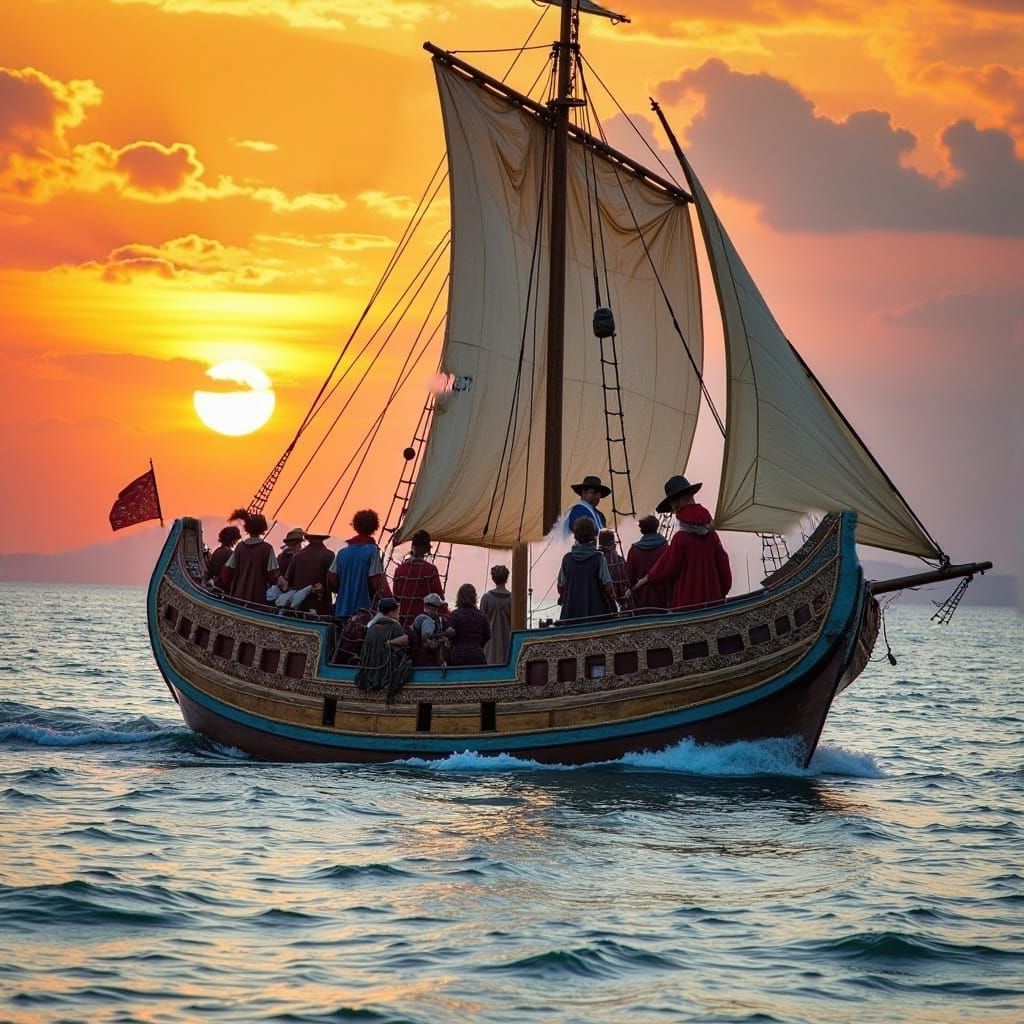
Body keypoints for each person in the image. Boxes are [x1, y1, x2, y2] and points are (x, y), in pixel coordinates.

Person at [628, 476, 732, 609]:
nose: (672, 508)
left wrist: (643, 581)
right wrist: (720, 593)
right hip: (713, 603)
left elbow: (665, 568)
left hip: (687, 605)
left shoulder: (681, 538)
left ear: (678, 502)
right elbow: (724, 568)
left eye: (672, 503)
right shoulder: (712, 536)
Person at [328, 509, 386, 618]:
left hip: (341, 610)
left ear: (355, 526)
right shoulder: (373, 552)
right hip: (362, 613)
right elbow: (376, 582)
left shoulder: (342, 553)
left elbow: (332, 578)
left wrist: (344, 589)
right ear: (374, 528)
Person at [557, 517, 615, 621]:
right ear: (593, 535)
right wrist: (612, 602)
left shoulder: (567, 559)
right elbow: (608, 587)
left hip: (570, 615)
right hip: (597, 616)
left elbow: (561, 587)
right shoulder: (599, 558)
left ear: (576, 535)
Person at [355, 596, 410, 701]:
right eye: (397, 611)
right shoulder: (395, 627)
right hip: (386, 671)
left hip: (370, 670)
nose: (398, 613)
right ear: (391, 612)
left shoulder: (371, 627)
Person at [221, 508, 279, 606]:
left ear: (247, 528)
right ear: (263, 529)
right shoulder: (267, 549)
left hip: (238, 597)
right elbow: (273, 575)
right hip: (258, 600)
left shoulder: (240, 548)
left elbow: (227, 572)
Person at [392, 529, 443, 626]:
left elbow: (396, 597)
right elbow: (438, 597)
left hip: (403, 622)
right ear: (427, 549)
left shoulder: (399, 570)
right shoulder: (431, 570)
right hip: (424, 624)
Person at [626, 515, 671, 611]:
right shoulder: (665, 546)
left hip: (641, 598)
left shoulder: (634, 550)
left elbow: (630, 576)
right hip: (662, 597)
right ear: (656, 527)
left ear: (641, 529)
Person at [285, 532, 335, 616]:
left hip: (298, 605)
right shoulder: (329, 555)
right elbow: (332, 582)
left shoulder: (297, 556)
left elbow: (289, 581)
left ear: (308, 539)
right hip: (320, 607)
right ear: (322, 539)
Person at [445, 583, 491, 666]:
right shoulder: (481, 616)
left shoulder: (455, 615)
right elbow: (487, 635)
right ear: (474, 597)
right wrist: (478, 645)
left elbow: (450, 634)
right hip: (477, 654)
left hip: (458, 655)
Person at [480, 564, 512, 664]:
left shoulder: (486, 598)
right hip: (508, 640)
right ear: (506, 578)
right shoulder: (512, 599)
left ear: (493, 578)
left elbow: (481, 623)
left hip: (490, 641)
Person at [410, 592, 449, 667]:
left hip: (419, 660)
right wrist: (440, 639)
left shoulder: (419, 618)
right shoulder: (427, 619)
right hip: (426, 660)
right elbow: (427, 635)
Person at [598, 529, 630, 607]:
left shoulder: (596, 559)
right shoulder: (620, 560)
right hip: (617, 600)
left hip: (600, 602)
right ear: (613, 543)